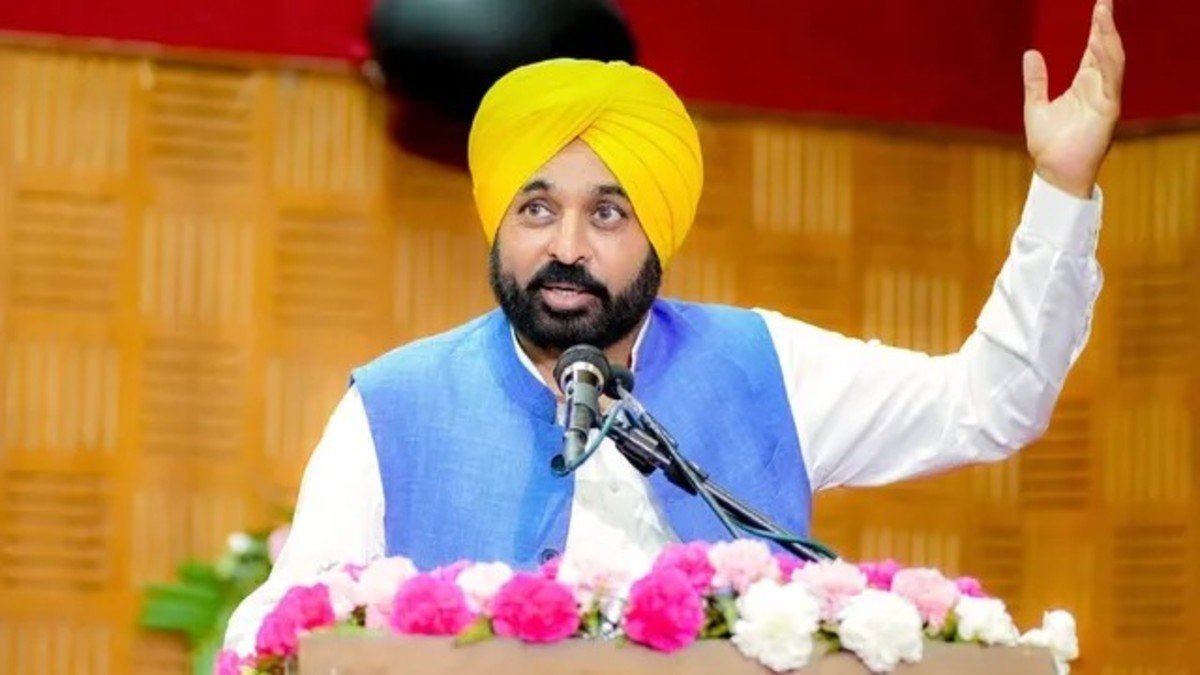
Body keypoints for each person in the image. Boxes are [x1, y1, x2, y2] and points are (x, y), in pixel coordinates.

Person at [224, 0, 1124, 653]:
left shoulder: (761, 366)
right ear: (498, 224)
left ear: (658, 233)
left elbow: (986, 403)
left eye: (607, 213)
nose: (567, 246)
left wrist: (1062, 188)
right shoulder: (394, 406)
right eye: (536, 209)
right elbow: (279, 626)